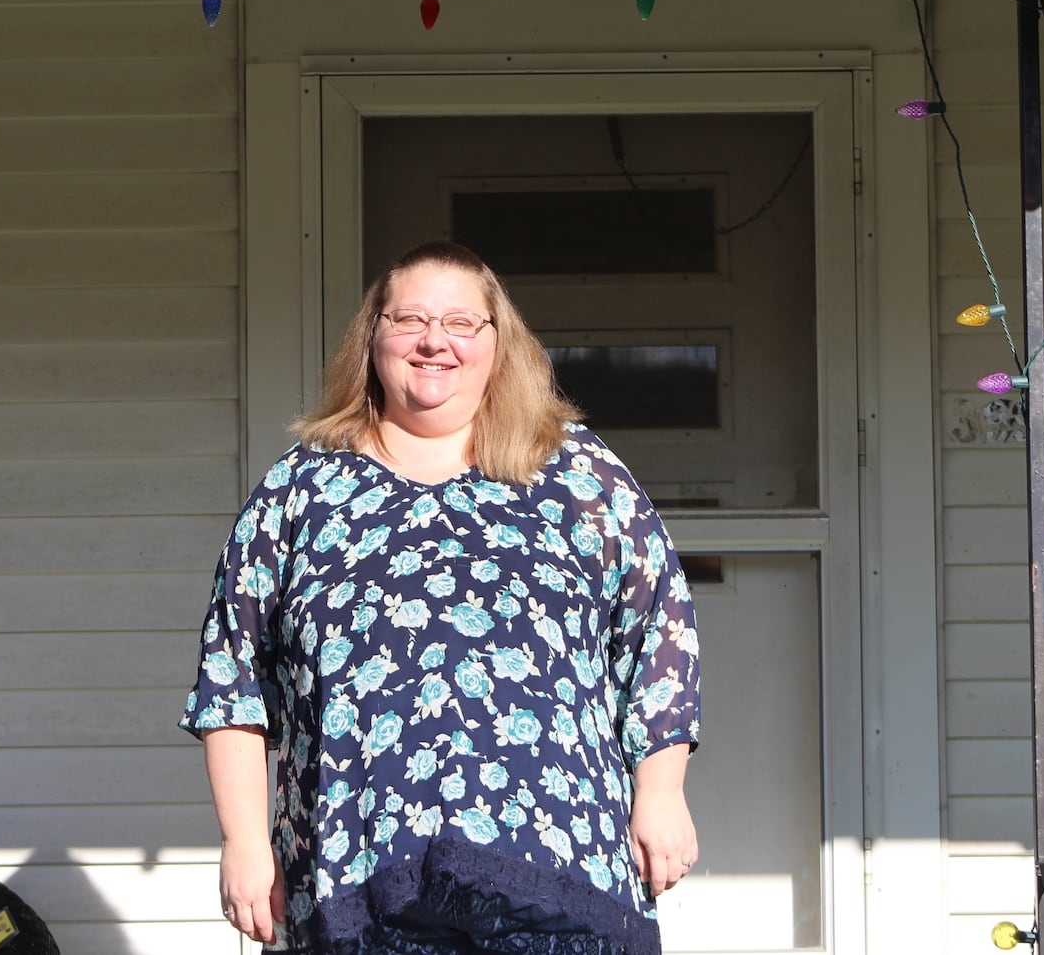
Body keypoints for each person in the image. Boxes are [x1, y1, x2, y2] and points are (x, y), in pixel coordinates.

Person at [180, 241, 700, 954]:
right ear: (373, 337)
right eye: (410, 320)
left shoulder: (580, 475)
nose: (435, 341)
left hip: (558, 866)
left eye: (462, 322)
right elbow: (232, 679)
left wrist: (662, 791)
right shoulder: (300, 489)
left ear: (497, 341)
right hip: (354, 872)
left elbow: (659, 636)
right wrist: (243, 841)